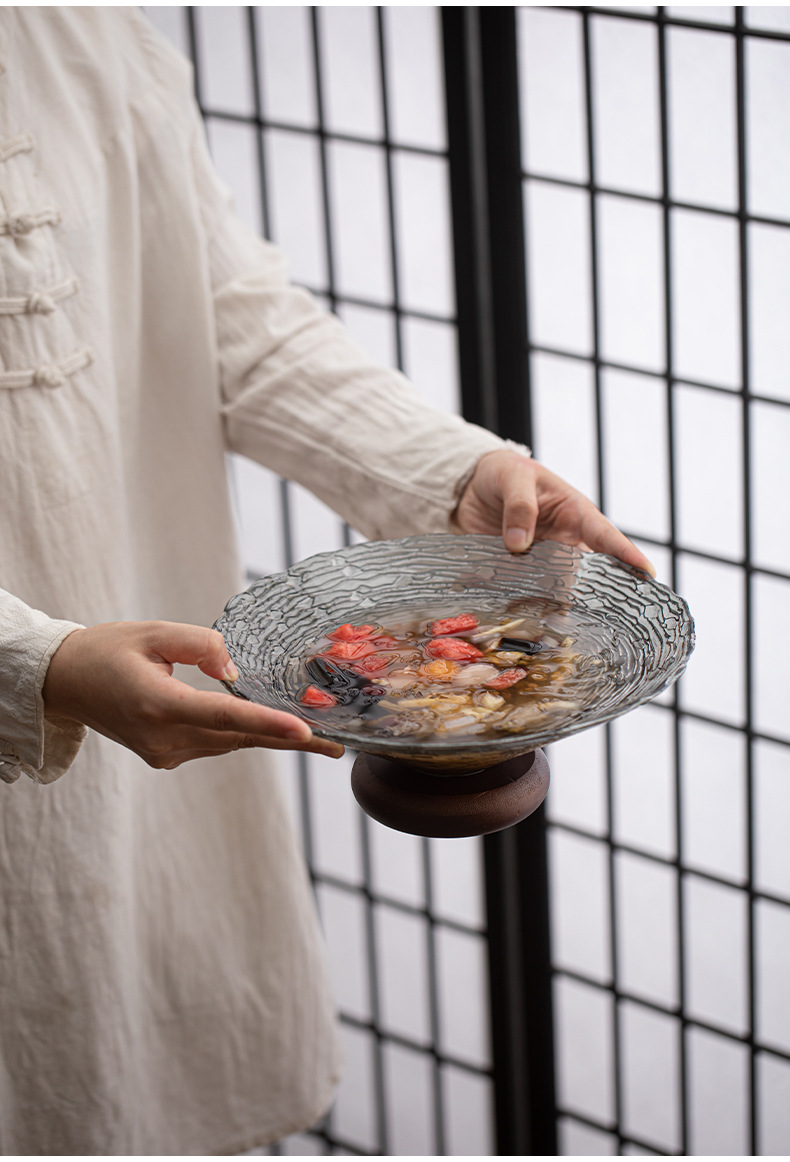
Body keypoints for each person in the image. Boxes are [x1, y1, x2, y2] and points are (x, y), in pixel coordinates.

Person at [0, 7, 654, 1154]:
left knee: (138, 1065)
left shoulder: (69, 21)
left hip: (148, 689)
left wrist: (453, 473)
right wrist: (33, 664)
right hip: (48, 711)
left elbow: (232, 317)